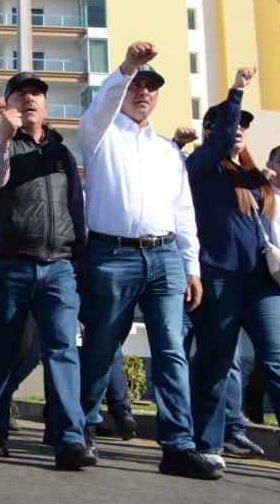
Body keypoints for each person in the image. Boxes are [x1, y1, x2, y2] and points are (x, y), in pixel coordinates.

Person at [76, 41, 219, 480]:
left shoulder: (167, 151)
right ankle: (79, 426)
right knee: (101, 346)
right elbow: (102, 105)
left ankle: (177, 445)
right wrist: (124, 67)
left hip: (164, 258)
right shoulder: (99, 133)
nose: (143, 91)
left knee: (171, 350)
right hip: (110, 254)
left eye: (151, 86)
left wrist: (190, 265)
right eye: (137, 84)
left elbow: (183, 213)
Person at [0, 72, 95, 469]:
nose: (30, 99)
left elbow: (76, 211)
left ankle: (70, 440)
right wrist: (3, 136)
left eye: (37, 95)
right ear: (8, 104)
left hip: (59, 266)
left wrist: (78, 263)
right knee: (2, 351)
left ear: (46, 106)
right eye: (21, 94)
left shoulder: (62, 153)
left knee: (63, 351)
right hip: (11, 264)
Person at [185, 67, 280, 472]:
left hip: (264, 281)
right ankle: (208, 441)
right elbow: (220, 139)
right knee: (214, 360)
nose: (239, 129)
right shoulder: (200, 167)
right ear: (212, 131)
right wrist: (236, 92)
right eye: (232, 123)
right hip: (219, 277)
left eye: (245, 125)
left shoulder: (254, 176)